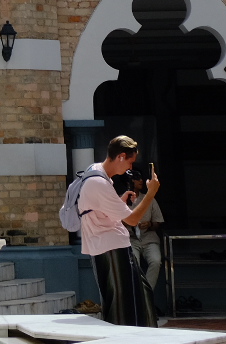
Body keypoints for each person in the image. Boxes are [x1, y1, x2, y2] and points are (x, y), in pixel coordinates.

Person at [78, 135, 160, 327]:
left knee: (137, 295)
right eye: (130, 162)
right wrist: (151, 193)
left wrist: (119, 203)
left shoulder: (95, 171)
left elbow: (97, 210)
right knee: (123, 305)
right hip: (111, 247)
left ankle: (143, 337)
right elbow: (132, 219)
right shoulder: (99, 182)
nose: (130, 168)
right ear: (121, 156)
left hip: (110, 245)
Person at [123, 169, 165, 313]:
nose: (141, 181)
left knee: (155, 261)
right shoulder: (120, 199)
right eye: (137, 178)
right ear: (130, 181)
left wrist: (150, 224)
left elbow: (158, 222)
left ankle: (145, 297)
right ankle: (137, 301)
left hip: (148, 238)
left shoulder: (149, 198)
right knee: (133, 264)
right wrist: (127, 223)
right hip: (130, 238)